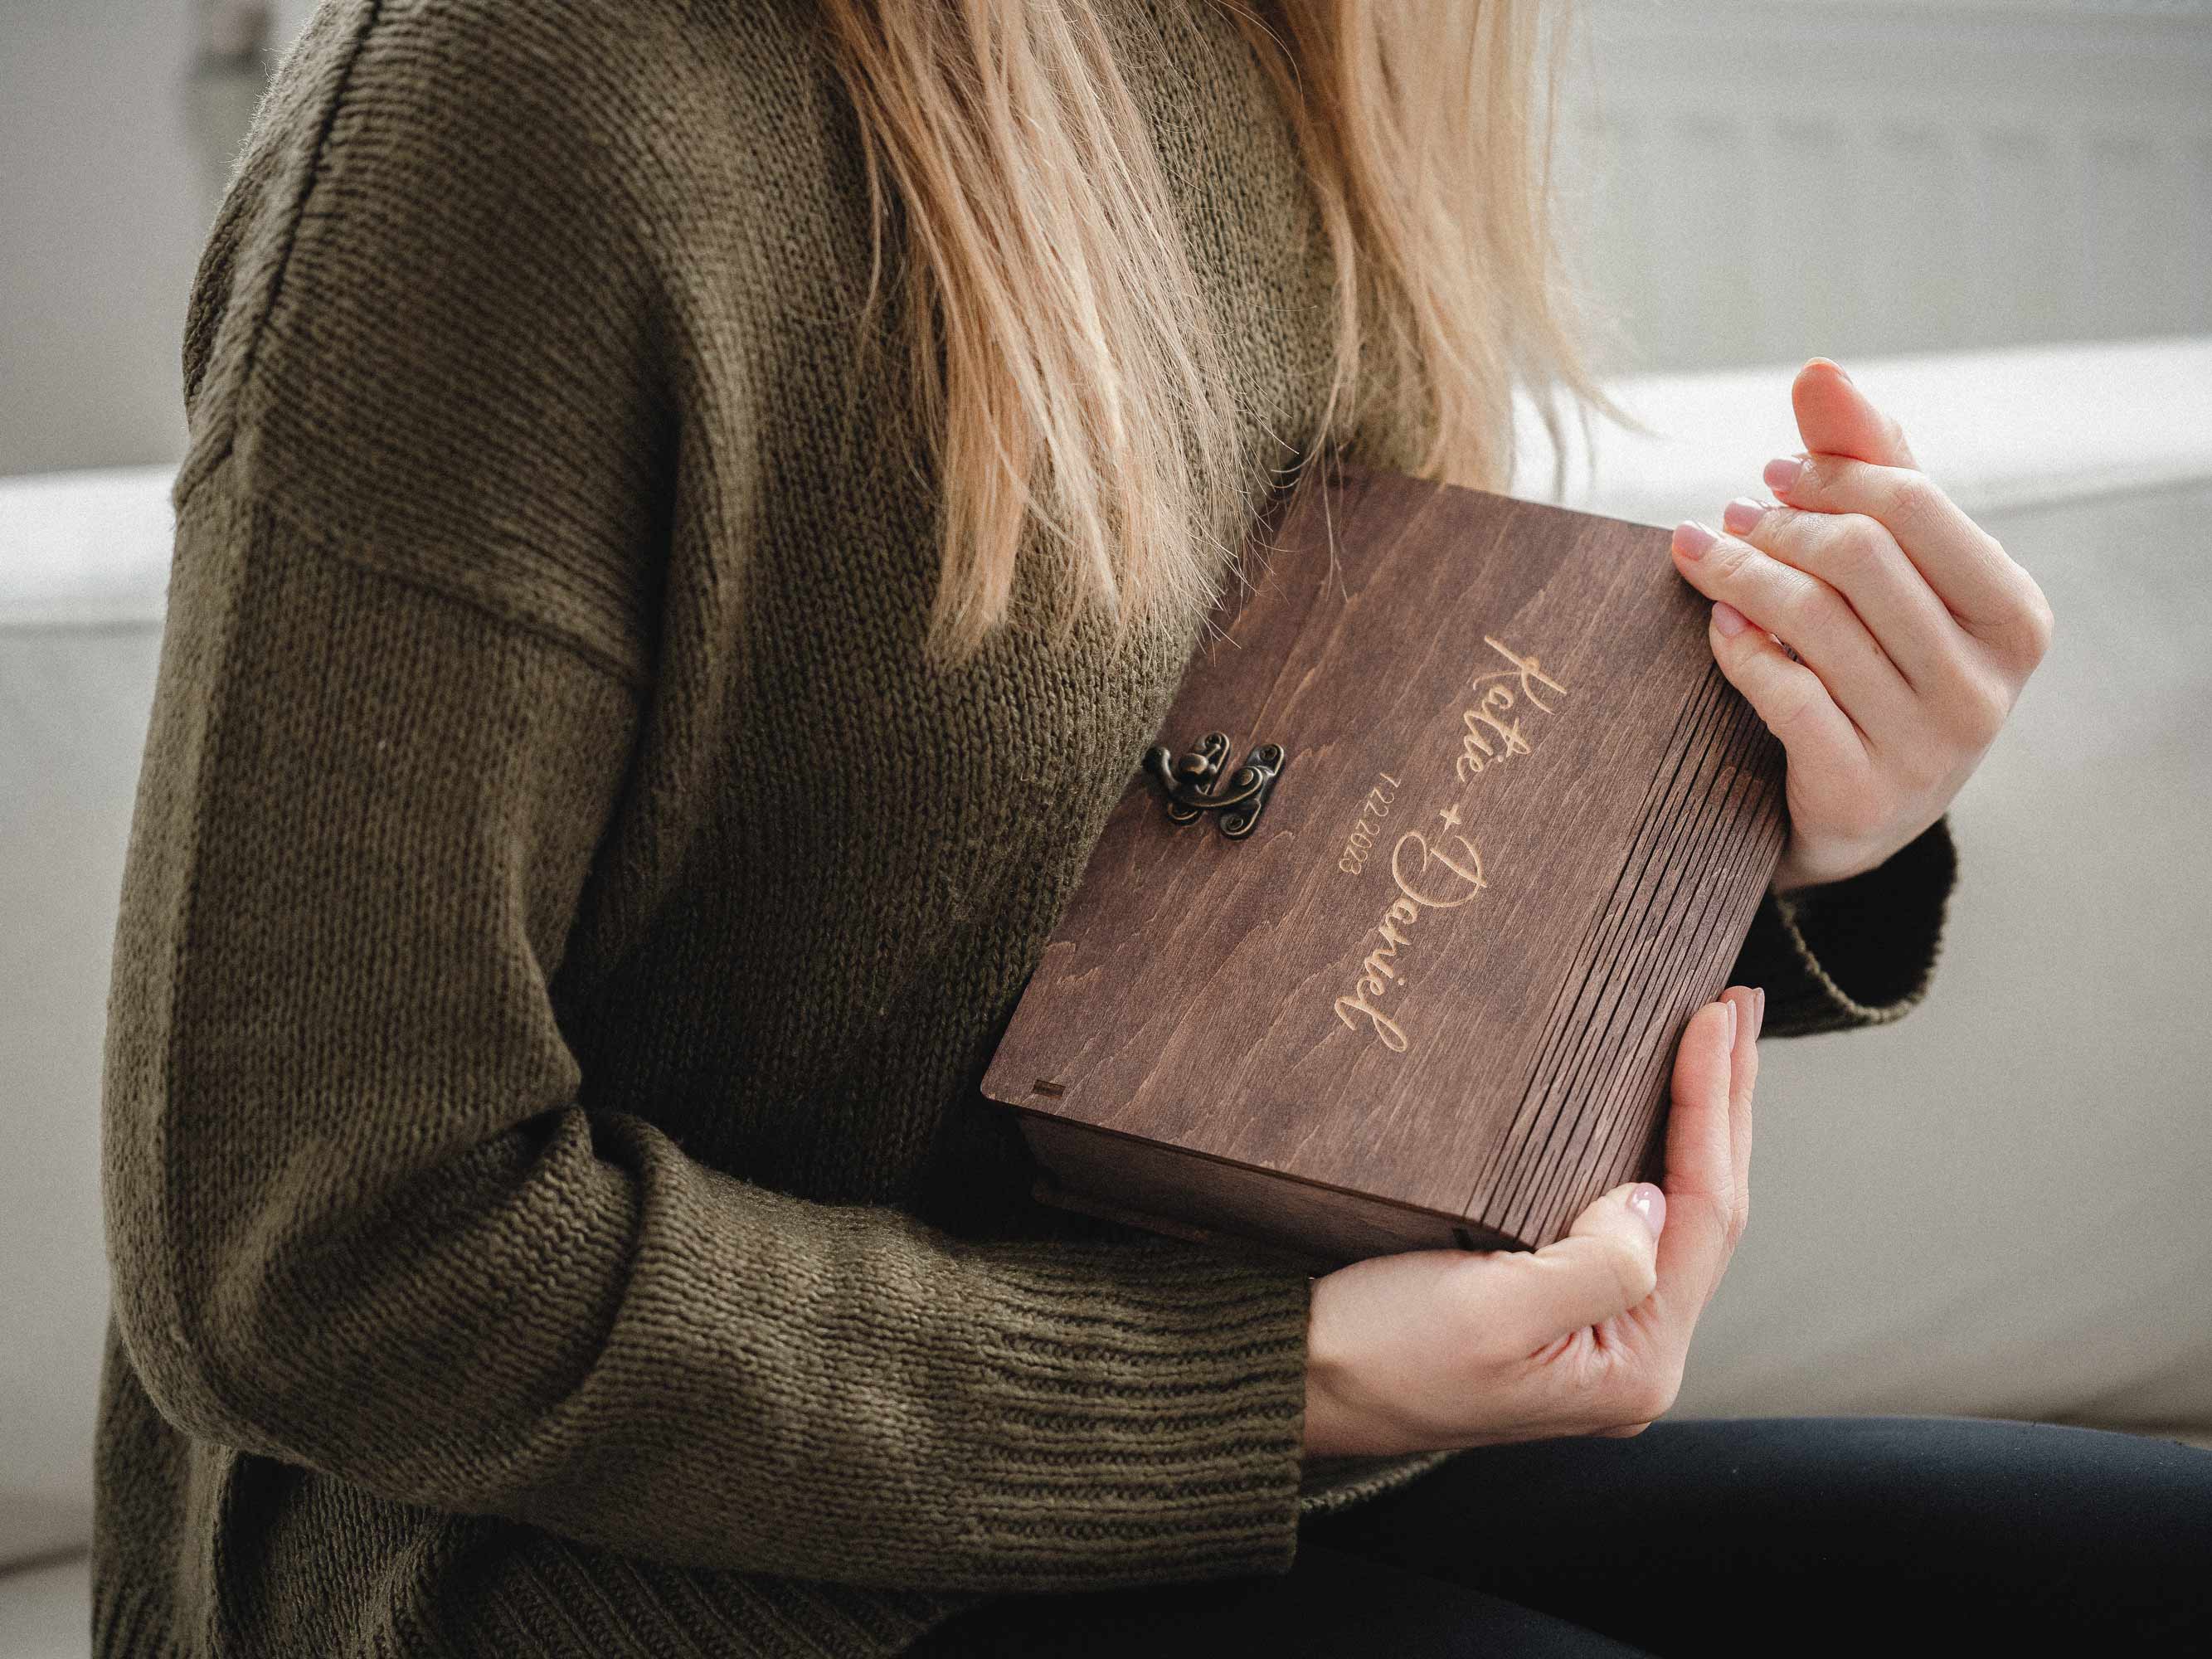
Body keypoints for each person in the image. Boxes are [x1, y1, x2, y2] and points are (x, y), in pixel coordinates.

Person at [93, 2, 2207, 1656]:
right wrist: (1267, 1386)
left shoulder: (1306, 50)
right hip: (598, 1589)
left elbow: (1242, 936)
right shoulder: (517, 101)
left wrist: (1792, 821)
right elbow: (314, 1257)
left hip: (1218, 1477)